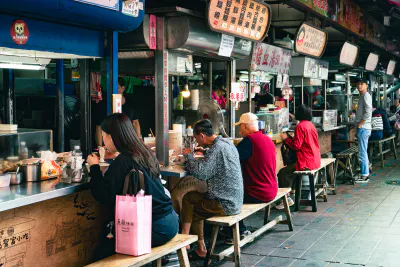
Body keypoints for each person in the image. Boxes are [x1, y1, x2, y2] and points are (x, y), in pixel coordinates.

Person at [87, 113, 178, 250]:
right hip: (171, 220)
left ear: (111, 137)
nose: (103, 141)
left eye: (104, 136)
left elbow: (103, 195)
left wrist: (94, 167)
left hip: (156, 227)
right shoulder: (144, 153)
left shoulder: (124, 161)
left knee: (106, 247)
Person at [181, 119, 243, 260]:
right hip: (235, 198)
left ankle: (199, 248)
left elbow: (201, 173)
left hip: (225, 203)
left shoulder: (215, 149)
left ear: (202, 135)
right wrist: (205, 152)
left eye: (197, 139)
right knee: (189, 197)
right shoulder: (226, 143)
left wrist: (188, 155)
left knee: (192, 210)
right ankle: (186, 240)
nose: (197, 142)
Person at [234, 113, 279, 238]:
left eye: (240, 127)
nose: (239, 130)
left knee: (232, 196)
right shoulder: (267, 139)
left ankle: (238, 230)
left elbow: (232, 159)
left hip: (258, 192)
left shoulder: (249, 141)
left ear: (245, 127)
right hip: (272, 189)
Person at [280, 105, 321, 198]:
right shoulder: (311, 125)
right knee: (291, 169)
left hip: (306, 161)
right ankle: (293, 191)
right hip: (315, 159)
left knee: (283, 173)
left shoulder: (300, 126)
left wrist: (286, 139)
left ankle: (285, 198)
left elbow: (296, 146)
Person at [94, 78, 142, 148]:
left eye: (117, 88)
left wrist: (138, 142)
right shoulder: (104, 105)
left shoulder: (130, 103)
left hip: (128, 141)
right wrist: (100, 147)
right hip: (110, 143)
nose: (114, 91)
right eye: (112, 88)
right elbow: (99, 127)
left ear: (123, 88)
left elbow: (135, 122)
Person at [354, 79, 372, 183]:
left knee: (362, 151)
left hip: (364, 128)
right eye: (358, 84)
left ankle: (365, 176)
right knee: (363, 150)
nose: (359, 86)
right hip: (364, 127)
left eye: (362, 84)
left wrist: (360, 123)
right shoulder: (362, 96)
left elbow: (369, 111)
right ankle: (366, 171)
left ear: (366, 85)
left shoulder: (366, 96)